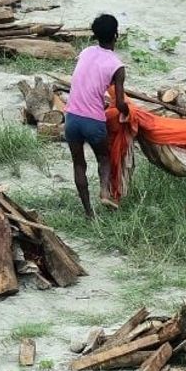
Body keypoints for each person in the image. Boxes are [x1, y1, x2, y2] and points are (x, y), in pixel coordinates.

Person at [64, 14, 131, 218]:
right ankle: (103, 191)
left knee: (79, 164)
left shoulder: (85, 52)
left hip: (72, 118)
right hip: (93, 120)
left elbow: (86, 78)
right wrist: (127, 113)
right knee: (103, 158)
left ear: (94, 34)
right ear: (116, 35)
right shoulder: (117, 66)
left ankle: (88, 213)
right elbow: (120, 103)